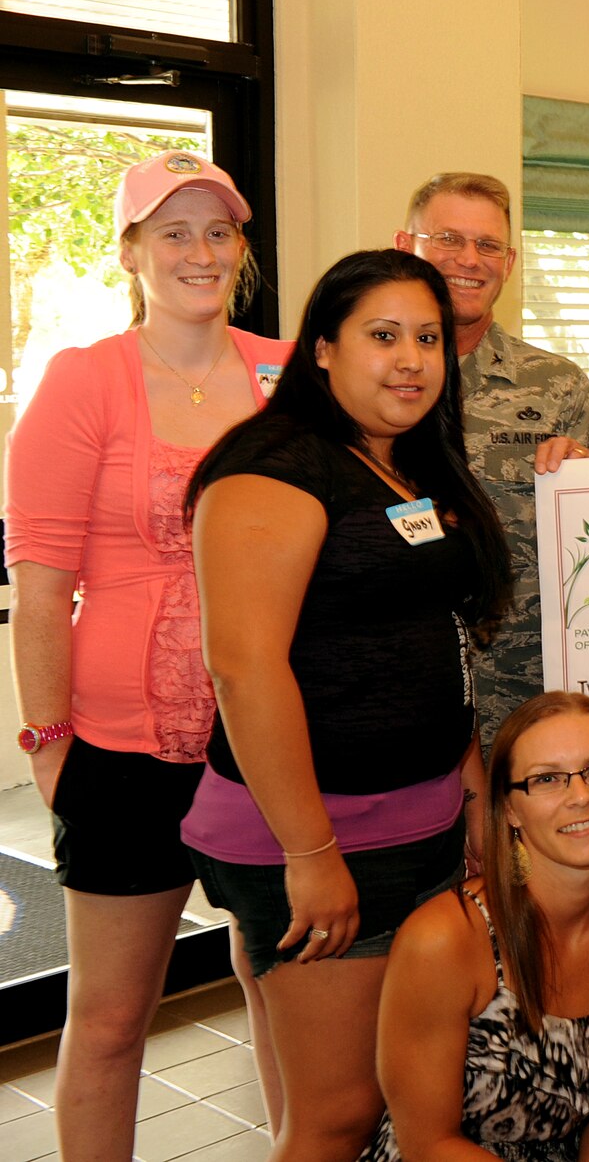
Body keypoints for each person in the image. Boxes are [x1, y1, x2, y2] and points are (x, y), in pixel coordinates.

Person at [181, 249, 512, 1162]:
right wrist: (311, 852)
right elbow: (244, 667)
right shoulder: (275, 468)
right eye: (382, 335)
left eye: (429, 338)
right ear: (322, 348)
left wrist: (473, 791)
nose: (410, 358)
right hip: (323, 838)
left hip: (417, 826)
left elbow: (434, 639)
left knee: (365, 1105)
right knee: (338, 1117)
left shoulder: (404, 464)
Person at [5, 149, 289, 1162]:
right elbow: (39, 588)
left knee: (281, 996)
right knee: (114, 1018)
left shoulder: (284, 372)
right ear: (131, 250)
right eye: (173, 230)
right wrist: (49, 745)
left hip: (265, 749)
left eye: (218, 230)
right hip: (121, 754)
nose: (200, 251)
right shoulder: (84, 383)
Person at [365, 692, 589, 1162]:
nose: (580, 796)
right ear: (508, 810)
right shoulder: (443, 941)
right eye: (546, 779)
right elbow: (428, 1143)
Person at [396, 173, 589, 747]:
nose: (469, 259)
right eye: (447, 239)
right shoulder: (359, 383)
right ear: (403, 245)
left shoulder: (558, 388)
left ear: (508, 262)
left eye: (488, 246)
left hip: (529, 701)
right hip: (401, 695)